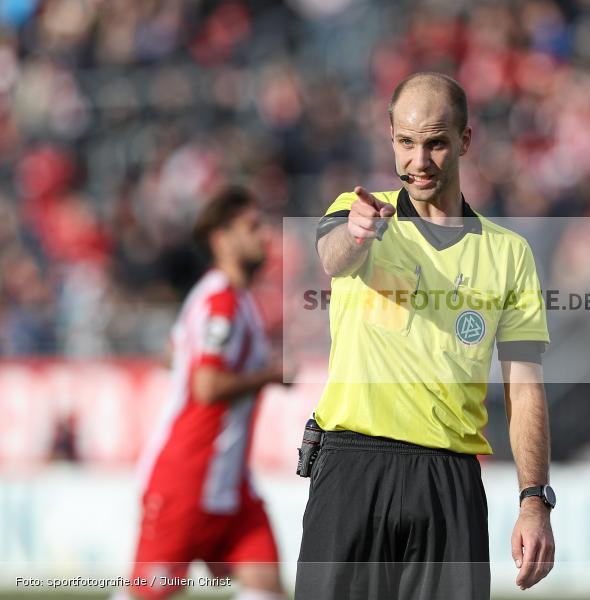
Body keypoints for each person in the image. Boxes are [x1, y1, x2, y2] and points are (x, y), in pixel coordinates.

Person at [296, 72, 556, 600]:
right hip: (352, 466)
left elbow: (524, 384)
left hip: (449, 480)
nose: (419, 161)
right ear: (390, 137)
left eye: (436, 142)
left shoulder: (509, 255)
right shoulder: (357, 210)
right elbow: (332, 258)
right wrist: (357, 234)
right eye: (406, 143)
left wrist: (534, 500)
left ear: (464, 139)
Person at [122, 187, 286, 600]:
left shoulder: (224, 298)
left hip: (229, 483)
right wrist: (271, 373)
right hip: (187, 480)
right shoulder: (222, 302)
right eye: (252, 227)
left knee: (267, 589)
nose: (264, 235)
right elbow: (207, 387)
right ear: (221, 238)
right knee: (147, 594)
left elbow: (172, 354)